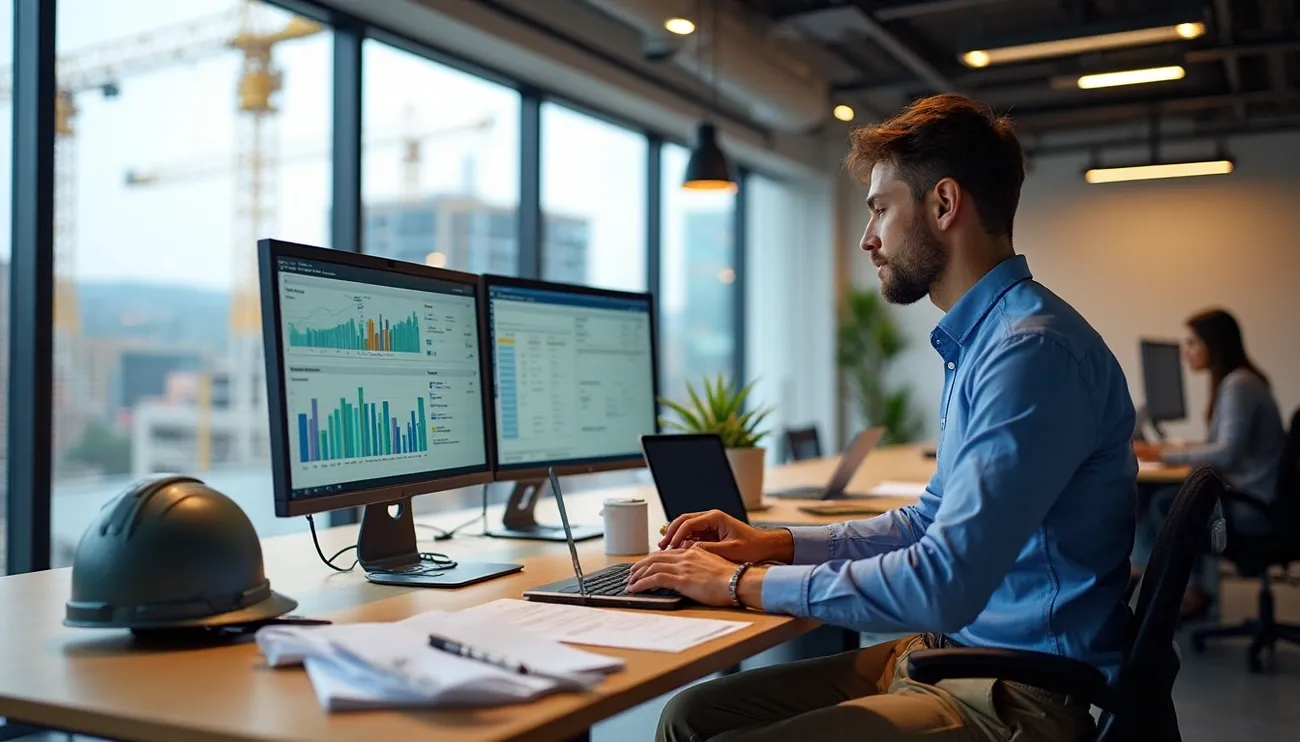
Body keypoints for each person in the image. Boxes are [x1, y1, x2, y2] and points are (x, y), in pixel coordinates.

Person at [626, 93, 1138, 742]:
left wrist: (738, 582)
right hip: (950, 655)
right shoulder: (986, 343)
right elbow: (927, 522)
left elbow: (943, 581)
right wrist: (775, 544)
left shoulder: (1029, 352)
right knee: (692, 716)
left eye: (879, 210)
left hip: (1018, 694)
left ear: (944, 205)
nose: (869, 239)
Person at [1133, 308, 1285, 618]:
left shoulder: (1238, 385)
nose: (1186, 352)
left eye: (1192, 343)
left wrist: (1161, 454)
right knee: (1166, 497)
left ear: (1213, 345)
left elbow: (1226, 453)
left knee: (1164, 501)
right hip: (1255, 497)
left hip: (1252, 507)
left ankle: (1178, 594)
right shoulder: (1240, 381)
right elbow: (1226, 449)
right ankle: (1183, 590)